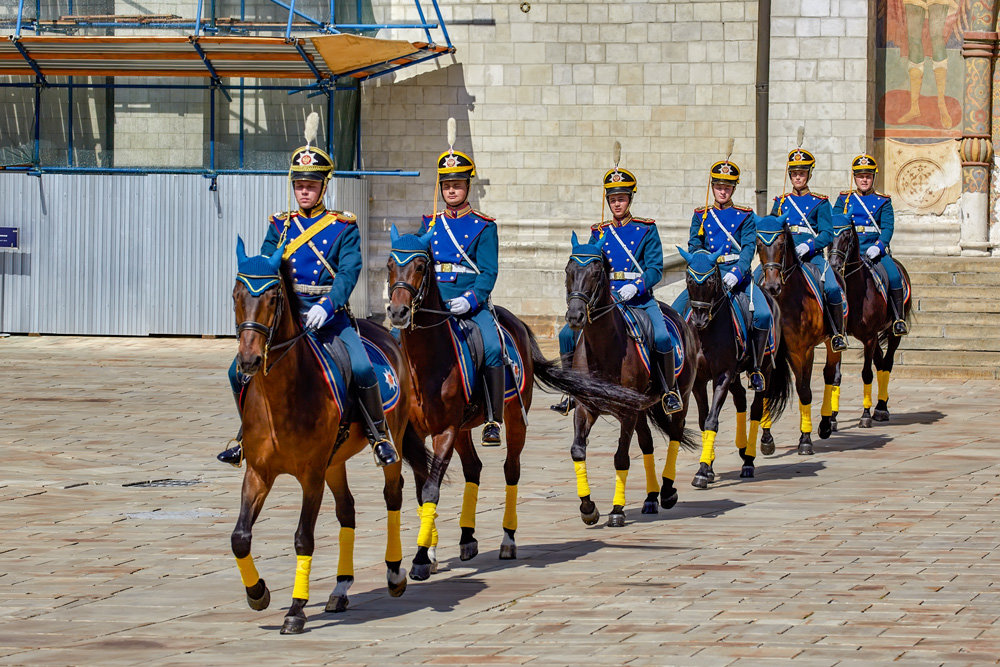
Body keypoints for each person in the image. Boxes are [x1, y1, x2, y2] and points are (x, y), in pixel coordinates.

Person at [218, 139, 399, 468]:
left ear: (324, 187)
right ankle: (247, 433)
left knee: (360, 367)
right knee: (237, 371)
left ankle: (379, 436)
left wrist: (327, 306)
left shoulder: (343, 226)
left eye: (311, 186)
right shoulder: (279, 225)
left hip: (329, 318)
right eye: (299, 186)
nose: (304, 192)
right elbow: (267, 269)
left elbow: (348, 272)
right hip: (287, 319)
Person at [551, 164, 682, 416]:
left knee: (663, 338)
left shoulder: (646, 229)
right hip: (606, 300)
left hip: (638, 298)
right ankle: (571, 391)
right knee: (566, 335)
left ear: (629, 199)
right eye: (612, 200)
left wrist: (636, 286)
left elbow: (655, 269)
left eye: (621, 199)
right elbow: (588, 266)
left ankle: (668, 391)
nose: (617, 204)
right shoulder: (598, 231)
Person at [417, 145, 506, 446]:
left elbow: (488, 273)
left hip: (469, 302)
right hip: (434, 304)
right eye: (447, 184)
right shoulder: (429, 223)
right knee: (395, 339)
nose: (451, 190)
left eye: (457, 184)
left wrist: (471, 298)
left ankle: (493, 419)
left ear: (468, 185)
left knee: (493, 347)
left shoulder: (484, 226)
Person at [673, 157, 773, 391]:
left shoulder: (745, 215)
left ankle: (756, 368)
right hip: (707, 278)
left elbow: (749, 247)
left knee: (763, 315)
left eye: (727, 187)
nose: (722, 191)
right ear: (713, 188)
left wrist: (738, 272)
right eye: (719, 186)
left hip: (736, 277)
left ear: (733, 188)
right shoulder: (701, 215)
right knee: (675, 313)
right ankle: (675, 370)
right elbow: (694, 245)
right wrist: (702, 266)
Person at [768, 147, 849, 351]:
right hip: (783, 258)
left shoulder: (820, 202)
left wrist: (809, 245)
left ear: (809, 175)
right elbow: (770, 230)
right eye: (794, 174)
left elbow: (827, 234)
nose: (798, 177)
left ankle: (837, 333)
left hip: (811, 257)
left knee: (831, 287)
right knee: (759, 280)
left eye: (802, 173)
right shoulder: (780, 202)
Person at [834, 154, 908, 335]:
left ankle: (898, 318)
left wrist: (879, 246)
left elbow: (888, 228)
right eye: (860, 176)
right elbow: (835, 223)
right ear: (855, 178)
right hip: (849, 252)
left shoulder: (883, 201)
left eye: (868, 176)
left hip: (874, 250)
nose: (864, 180)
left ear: (873, 177)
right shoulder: (844, 199)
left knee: (894, 276)